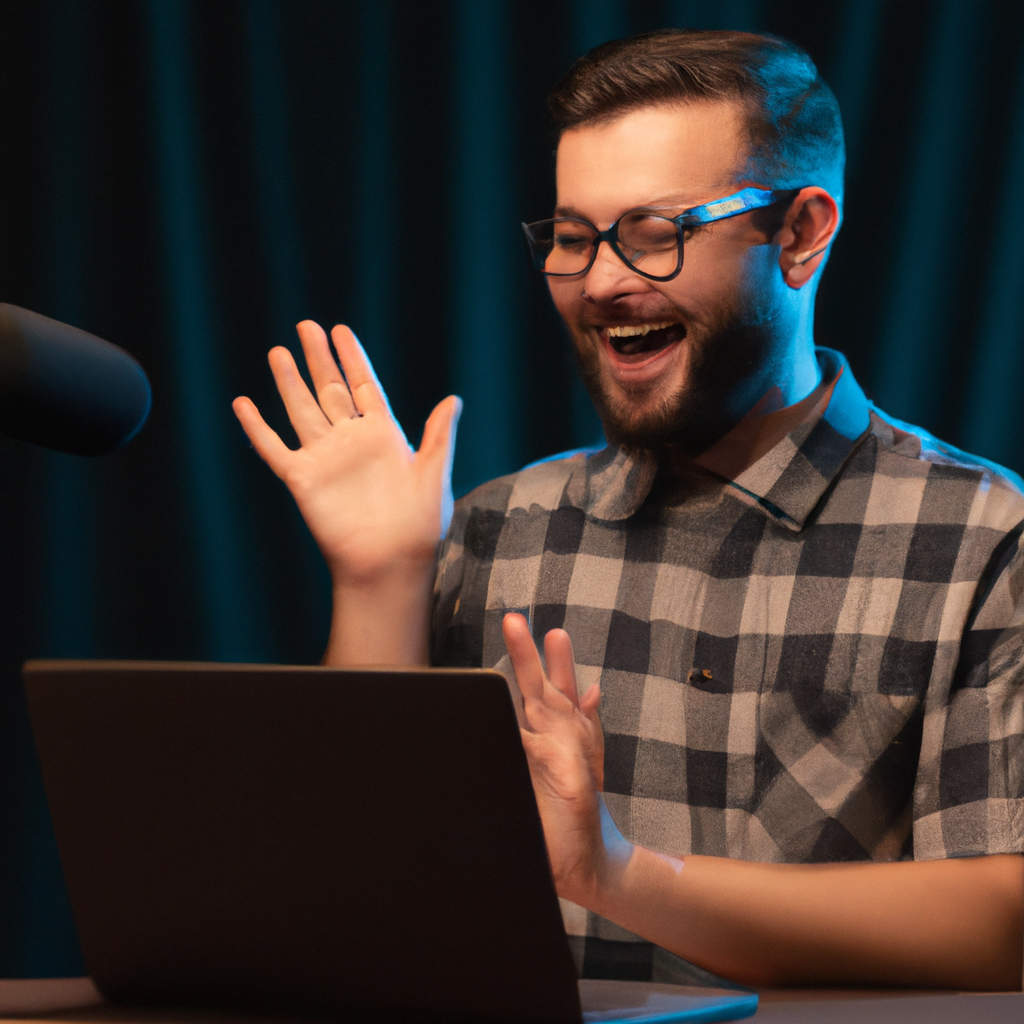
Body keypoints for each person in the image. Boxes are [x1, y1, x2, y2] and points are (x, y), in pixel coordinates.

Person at [233, 29, 1024, 991]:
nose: (604, 282)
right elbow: (354, 887)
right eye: (574, 239)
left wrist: (617, 874)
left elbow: (1003, 922)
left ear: (800, 235)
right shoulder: (495, 529)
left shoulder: (982, 537)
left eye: (654, 235)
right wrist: (379, 579)